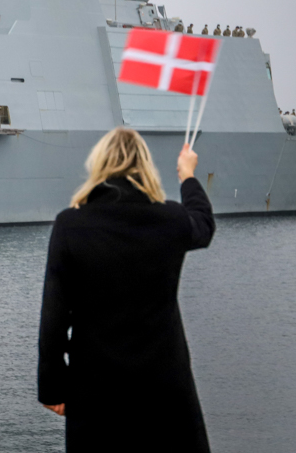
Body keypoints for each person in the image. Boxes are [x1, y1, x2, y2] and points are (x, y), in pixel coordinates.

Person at [38, 129, 215, 452]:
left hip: (95, 390)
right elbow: (203, 224)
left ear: (100, 164)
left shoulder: (69, 226)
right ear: (144, 165)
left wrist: (52, 387)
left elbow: (54, 315)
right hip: (164, 388)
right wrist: (187, 175)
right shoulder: (171, 219)